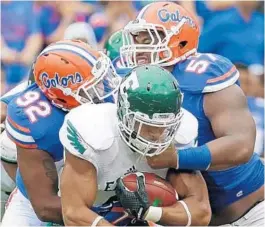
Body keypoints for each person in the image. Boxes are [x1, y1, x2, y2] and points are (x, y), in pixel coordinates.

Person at [119, 2, 264, 225]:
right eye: (137, 39)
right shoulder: (134, 84)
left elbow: (242, 145)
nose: (139, 47)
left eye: (148, 39)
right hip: (195, 217)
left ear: (180, 39)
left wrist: (177, 158)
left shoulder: (203, 75)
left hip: (254, 208)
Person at [59, 65, 211, 226]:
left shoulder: (181, 136)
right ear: (125, 115)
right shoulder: (94, 131)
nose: (157, 135)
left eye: (165, 127)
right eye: (148, 125)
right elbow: (74, 213)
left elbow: (201, 213)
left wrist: (148, 212)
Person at [1, 40, 121, 226]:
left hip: (101, 189)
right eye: (92, 87)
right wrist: (108, 214)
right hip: (44, 200)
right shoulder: (37, 122)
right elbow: (44, 206)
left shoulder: (113, 95)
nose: (104, 89)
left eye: (102, 79)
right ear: (60, 96)